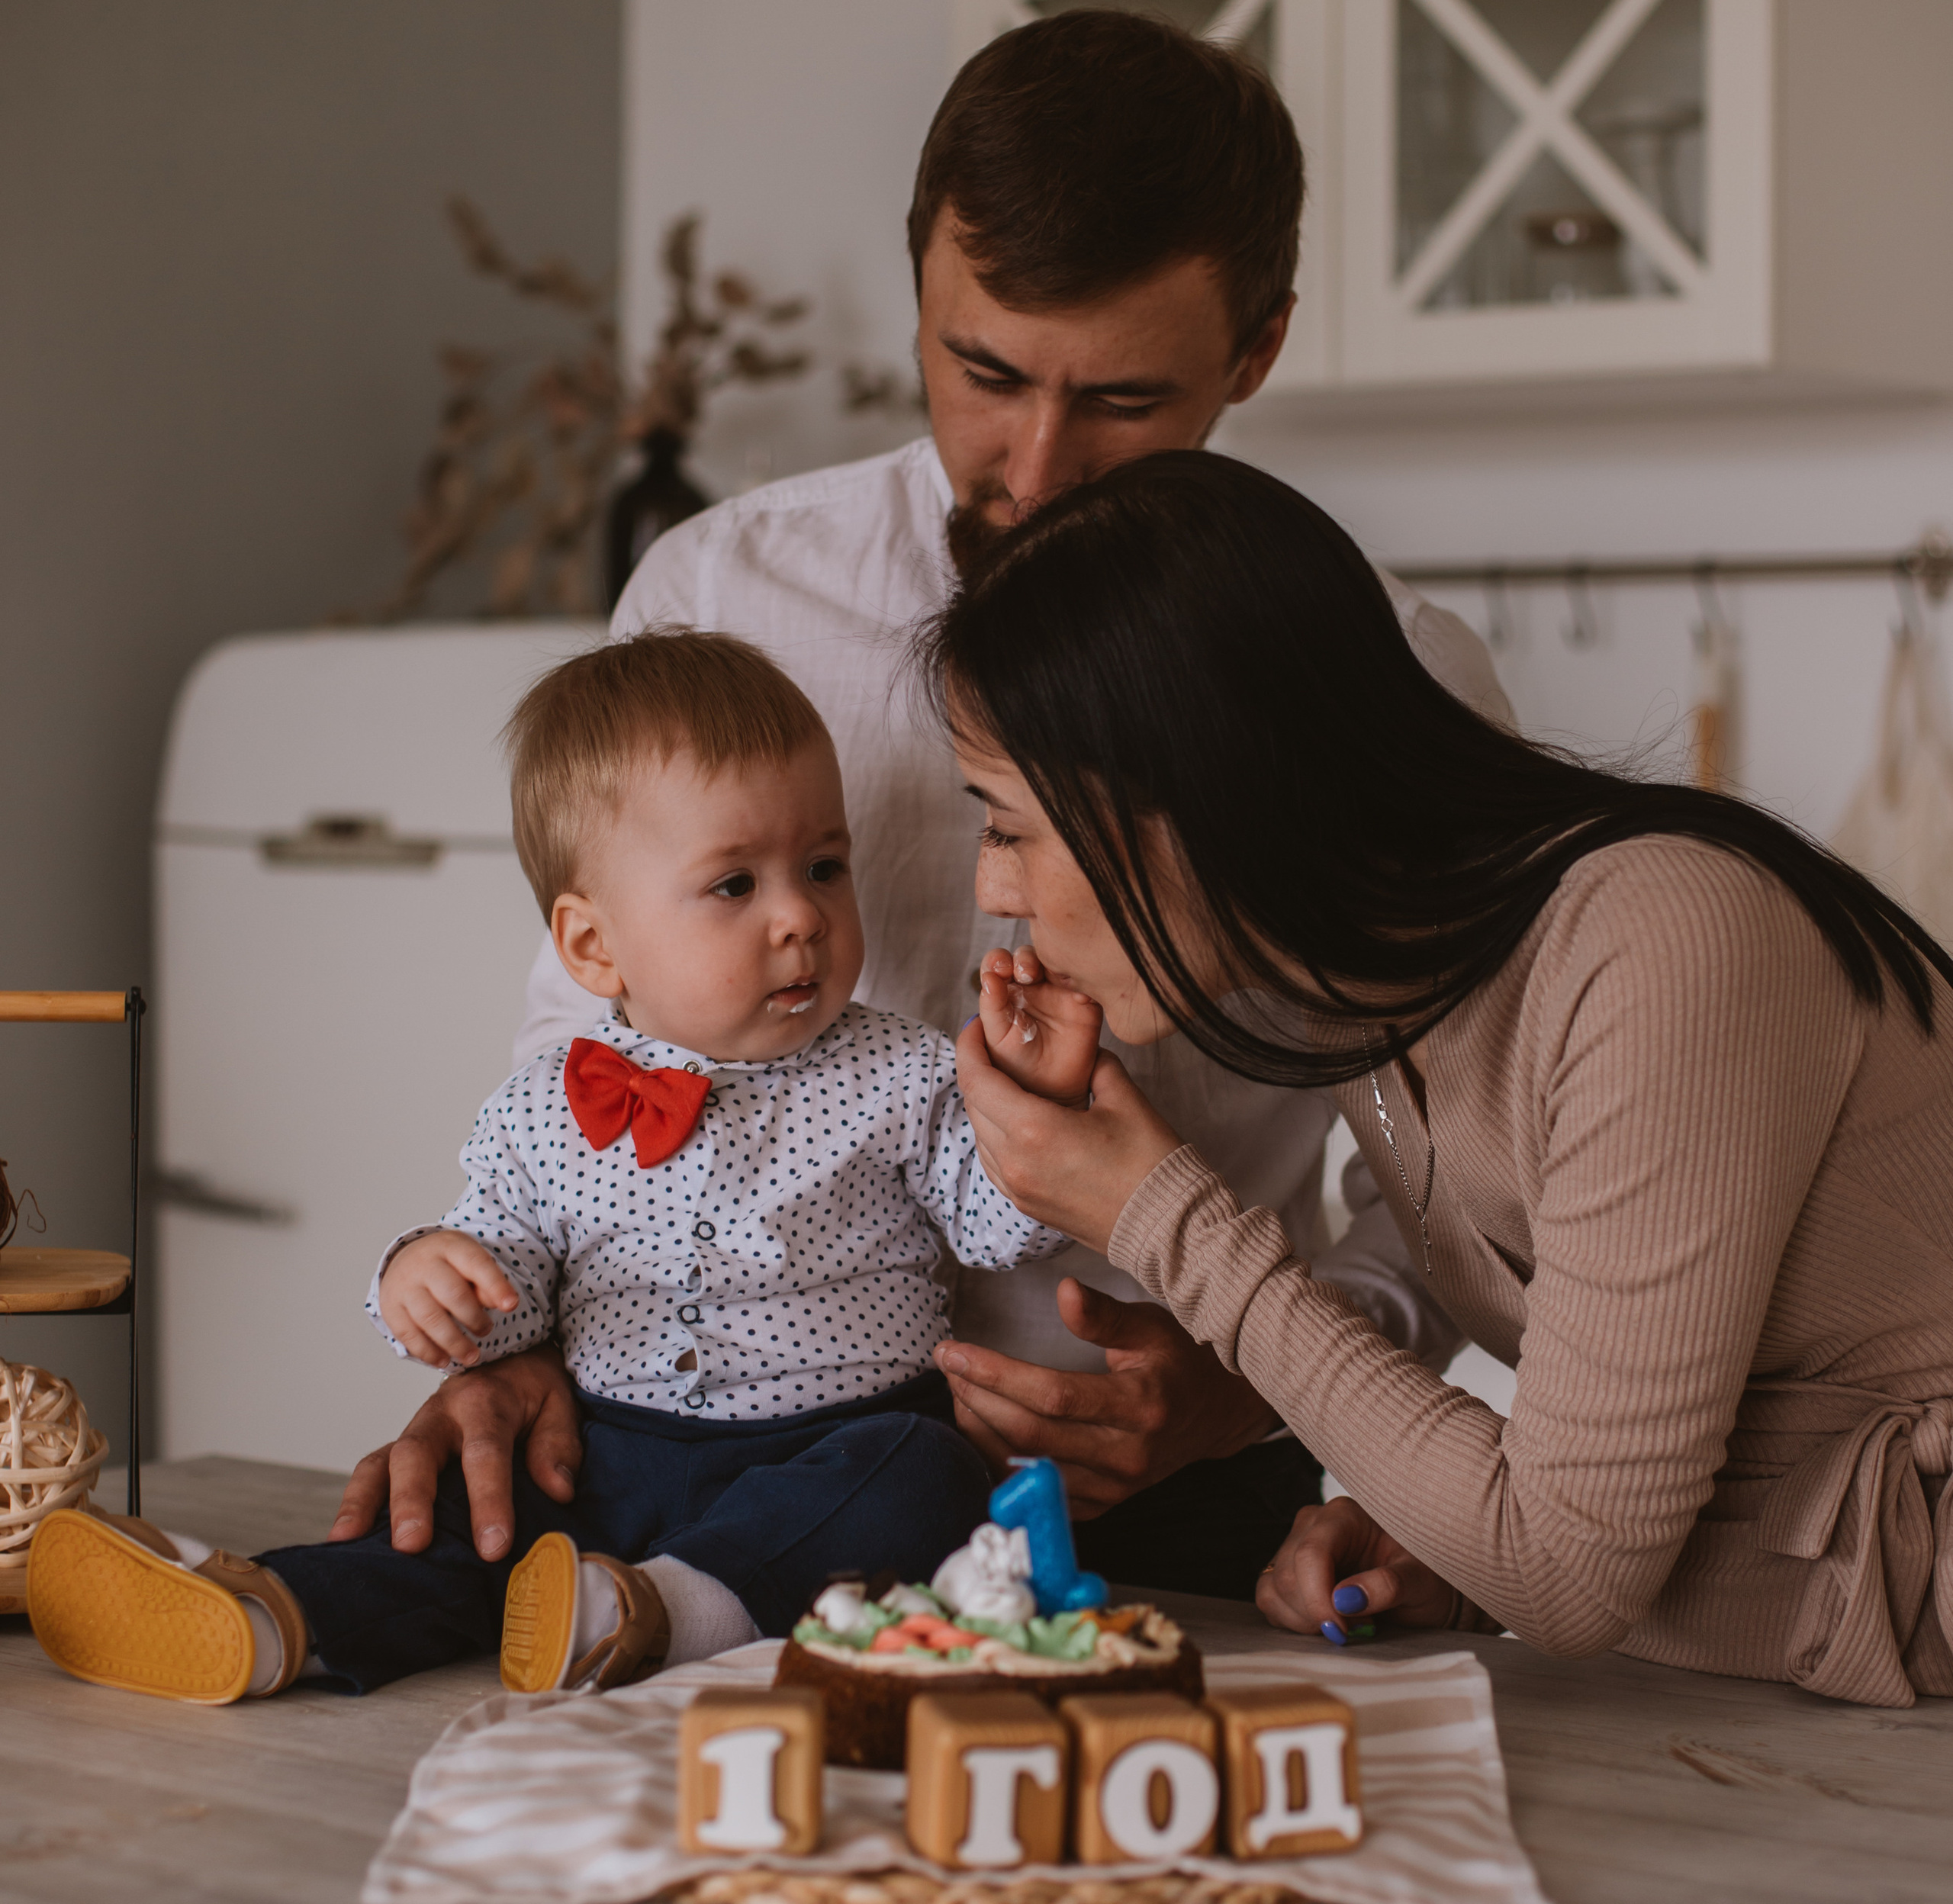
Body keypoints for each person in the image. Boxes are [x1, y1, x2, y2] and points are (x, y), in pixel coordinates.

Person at [330, 8, 1509, 1600]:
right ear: (917, 309)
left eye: (1125, 401)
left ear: (1256, 350)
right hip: (715, 1471)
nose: (1036, 468)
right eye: (985, 373)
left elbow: (1453, 1189)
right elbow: (598, 1044)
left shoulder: (1394, 679)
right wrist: (511, 1341)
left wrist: (1255, 1375)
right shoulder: (723, 594)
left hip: (1195, 1500)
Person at [925, 446, 1953, 1711]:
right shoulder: (1370, 999)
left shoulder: (1661, 941)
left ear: (1190, 796)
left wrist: (1159, 1213)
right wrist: (1462, 1551)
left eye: (1007, 824)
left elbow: (1572, 1578)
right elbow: (1603, 1508)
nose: (994, 889)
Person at [27, 632, 1102, 1704]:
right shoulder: (548, 1104)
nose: (800, 917)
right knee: (462, 1504)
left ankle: (656, 1611)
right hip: (600, 1452)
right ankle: (270, 1620)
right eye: (734, 885)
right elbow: (511, 1286)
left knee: (930, 1479)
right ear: (594, 949)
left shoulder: (908, 1072)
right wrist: (433, 1278)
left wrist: (1035, 1102)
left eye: (824, 867)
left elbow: (999, 1226)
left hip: (830, 1446)